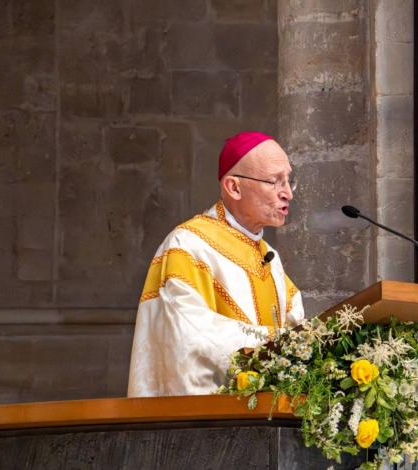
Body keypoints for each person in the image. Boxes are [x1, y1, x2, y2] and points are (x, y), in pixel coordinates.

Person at [127, 131, 305, 397]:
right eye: (274, 181)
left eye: (289, 180)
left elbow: (297, 332)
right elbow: (188, 338)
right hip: (210, 420)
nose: (288, 193)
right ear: (234, 187)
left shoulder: (271, 258)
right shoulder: (188, 246)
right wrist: (275, 340)